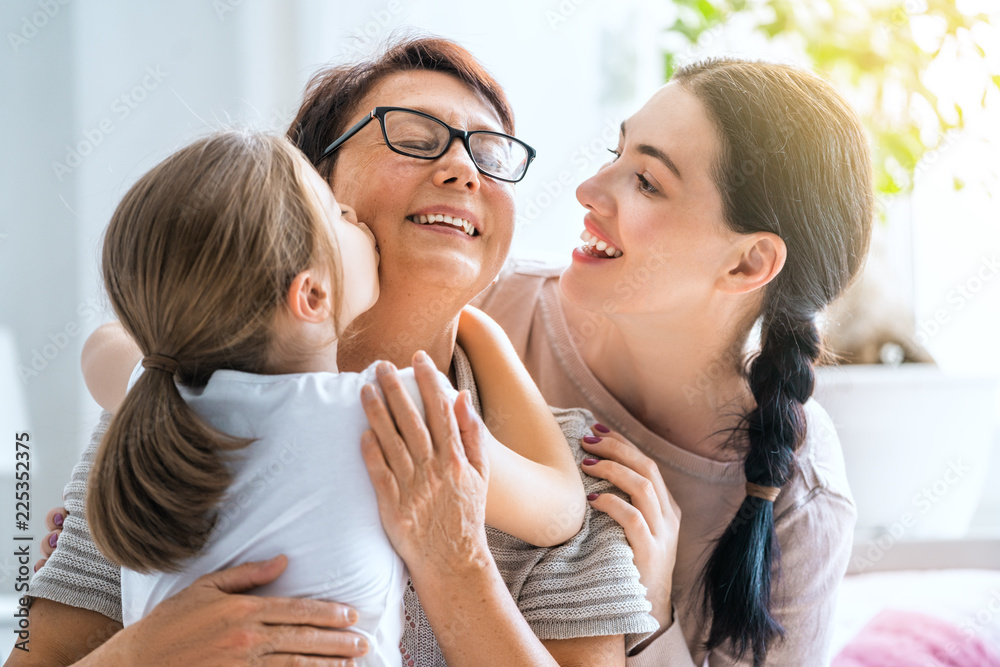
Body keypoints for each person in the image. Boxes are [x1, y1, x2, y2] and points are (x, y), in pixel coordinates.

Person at [16, 38, 657, 667]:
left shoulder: (580, 463)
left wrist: (456, 564)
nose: (464, 168)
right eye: (413, 135)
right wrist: (143, 654)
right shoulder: (168, 417)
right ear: (313, 196)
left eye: (488, 152)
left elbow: (110, 351)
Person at [77, 128, 588, 665]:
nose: (353, 216)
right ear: (313, 294)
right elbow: (559, 509)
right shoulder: (393, 406)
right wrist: (479, 331)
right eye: (336, 213)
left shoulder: (158, 400)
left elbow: (98, 348)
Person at [468, 58, 873, 665]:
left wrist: (652, 617)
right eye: (616, 152)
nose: (588, 190)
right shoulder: (487, 305)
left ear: (747, 264)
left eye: (648, 182)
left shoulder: (799, 494)